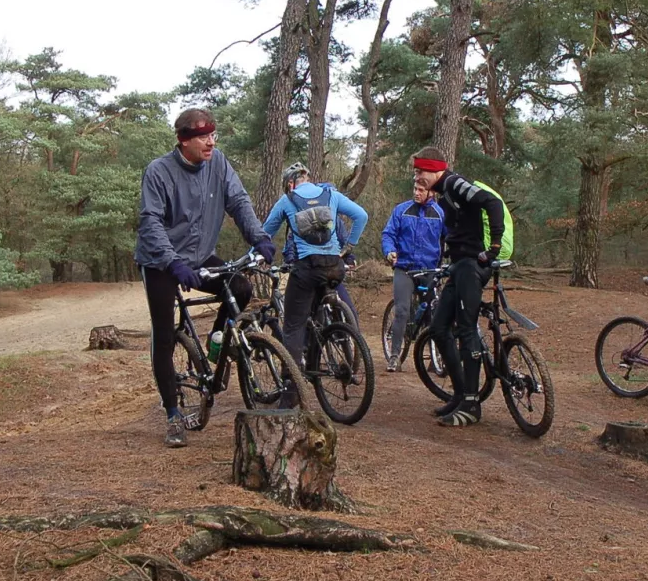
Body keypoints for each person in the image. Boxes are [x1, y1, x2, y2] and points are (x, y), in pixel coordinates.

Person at [135, 108, 277, 448]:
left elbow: (239, 201)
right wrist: (171, 262)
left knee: (240, 288)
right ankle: (172, 413)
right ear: (184, 141)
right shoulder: (159, 171)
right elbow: (151, 222)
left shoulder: (219, 163)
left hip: (199, 257)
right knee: (165, 334)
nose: (211, 142)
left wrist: (258, 236)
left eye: (213, 135)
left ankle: (216, 342)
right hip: (161, 262)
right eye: (203, 137)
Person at [411, 146, 505, 426]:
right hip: (459, 264)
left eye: (421, 171)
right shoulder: (443, 193)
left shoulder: (454, 183)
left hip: (473, 265)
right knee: (439, 328)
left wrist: (495, 246)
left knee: (466, 329)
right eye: (415, 171)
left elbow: (492, 203)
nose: (417, 177)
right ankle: (460, 393)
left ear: (436, 169)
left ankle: (471, 405)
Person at [262, 162, 369, 371]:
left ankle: (291, 390)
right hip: (335, 267)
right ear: (307, 178)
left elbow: (265, 235)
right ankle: (320, 354)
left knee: (293, 326)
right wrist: (348, 247)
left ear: (290, 184)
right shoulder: (331, 195)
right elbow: (361, 216)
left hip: (308, 268)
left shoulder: (287, 200)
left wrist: (251, 256)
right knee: (317, 307)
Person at [379, 180, 445, 371]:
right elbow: (388, 234)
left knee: (436, 312)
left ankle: (437, 357)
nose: (416, 192)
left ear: (431, 192)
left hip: (429, 269)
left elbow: (450, 237)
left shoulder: (440, 214)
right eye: (415, 189)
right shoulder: (402, 210)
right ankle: (394, 356)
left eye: (421, 190)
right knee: (401, 311)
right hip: (405, 268)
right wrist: (389, 251)